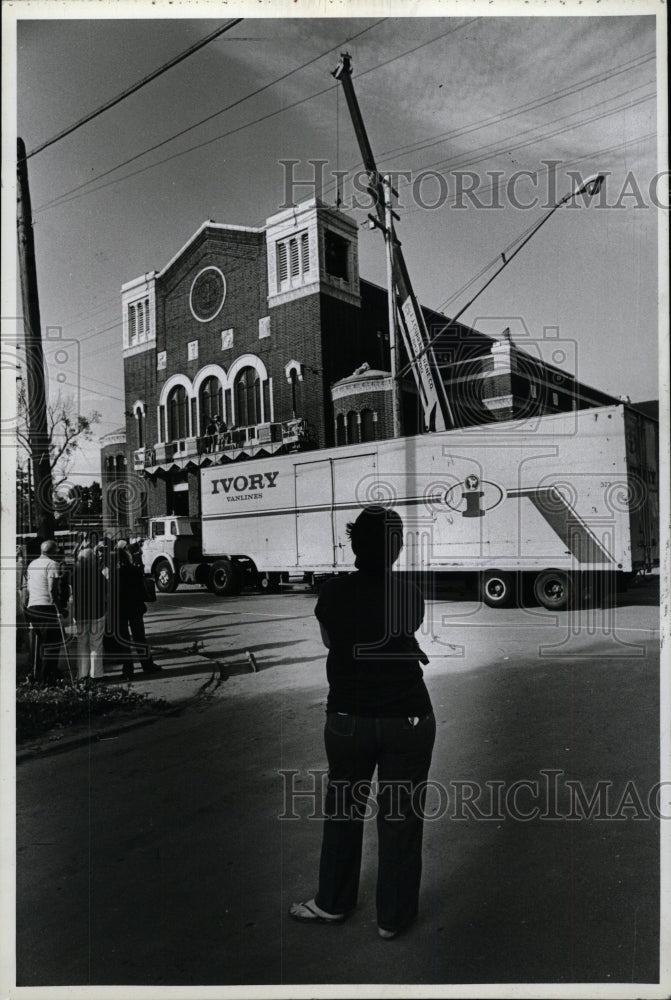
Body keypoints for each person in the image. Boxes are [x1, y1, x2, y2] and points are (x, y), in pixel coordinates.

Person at [290, 506, 435, 940]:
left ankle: (333, 903)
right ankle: (393, 918)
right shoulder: (409, 593)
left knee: (343, 811)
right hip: (407, 717)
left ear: (353, 545)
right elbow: (404, 632)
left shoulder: (332, 593)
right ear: (398, 548)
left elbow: (330, 641)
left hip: (348, 719)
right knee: (401, 818)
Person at [115, 542, 161, 680]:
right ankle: (147, 665)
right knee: (140, 638)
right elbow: (141, 590)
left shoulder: (113, 573)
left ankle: (128, 671)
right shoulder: (135, 571)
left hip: (119, 610)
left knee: (123, 640)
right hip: (135, 608)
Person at [25, 539, 68, 683]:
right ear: (54, 552)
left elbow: (29, 588)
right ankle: (47, 679)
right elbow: (52, 590)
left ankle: (45, 673)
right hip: (46, 607)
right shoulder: (52, 564)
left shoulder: (32, 564)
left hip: (32, 607)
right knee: (52, 644)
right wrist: (60, 609)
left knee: (43, 643)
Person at [72, 538, 107, 681]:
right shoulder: (97, 573)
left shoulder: (74, 573)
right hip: (96, 611)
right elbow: (105, 589)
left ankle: (82, 673)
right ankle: (96, 674)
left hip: (80, 613)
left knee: (82, 643)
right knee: (96, 643)